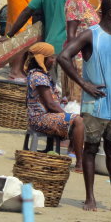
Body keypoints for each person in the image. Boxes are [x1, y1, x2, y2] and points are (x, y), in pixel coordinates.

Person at [59, 0, 111, 213]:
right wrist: (84, 84)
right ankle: (90, 197)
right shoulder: (91, 34)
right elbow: (64, 57)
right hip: (96, 104)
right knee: (91, 149)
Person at [25, 42, 84, 171]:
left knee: (78, 119)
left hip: (42, 117)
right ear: (42, 59)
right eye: (51, 57)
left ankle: (74, 151)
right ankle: (80, 163)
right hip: (39, 119)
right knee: (78, 121)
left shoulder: (39, 74)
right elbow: (50, 104)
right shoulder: (39, 77)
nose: (54, 60)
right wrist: (65, 115)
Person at [63, 0, 100, 103]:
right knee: (77, 102)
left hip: (85, 58)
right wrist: (73, 64)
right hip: (78, 60)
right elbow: (71, 34)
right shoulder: (76, 0)